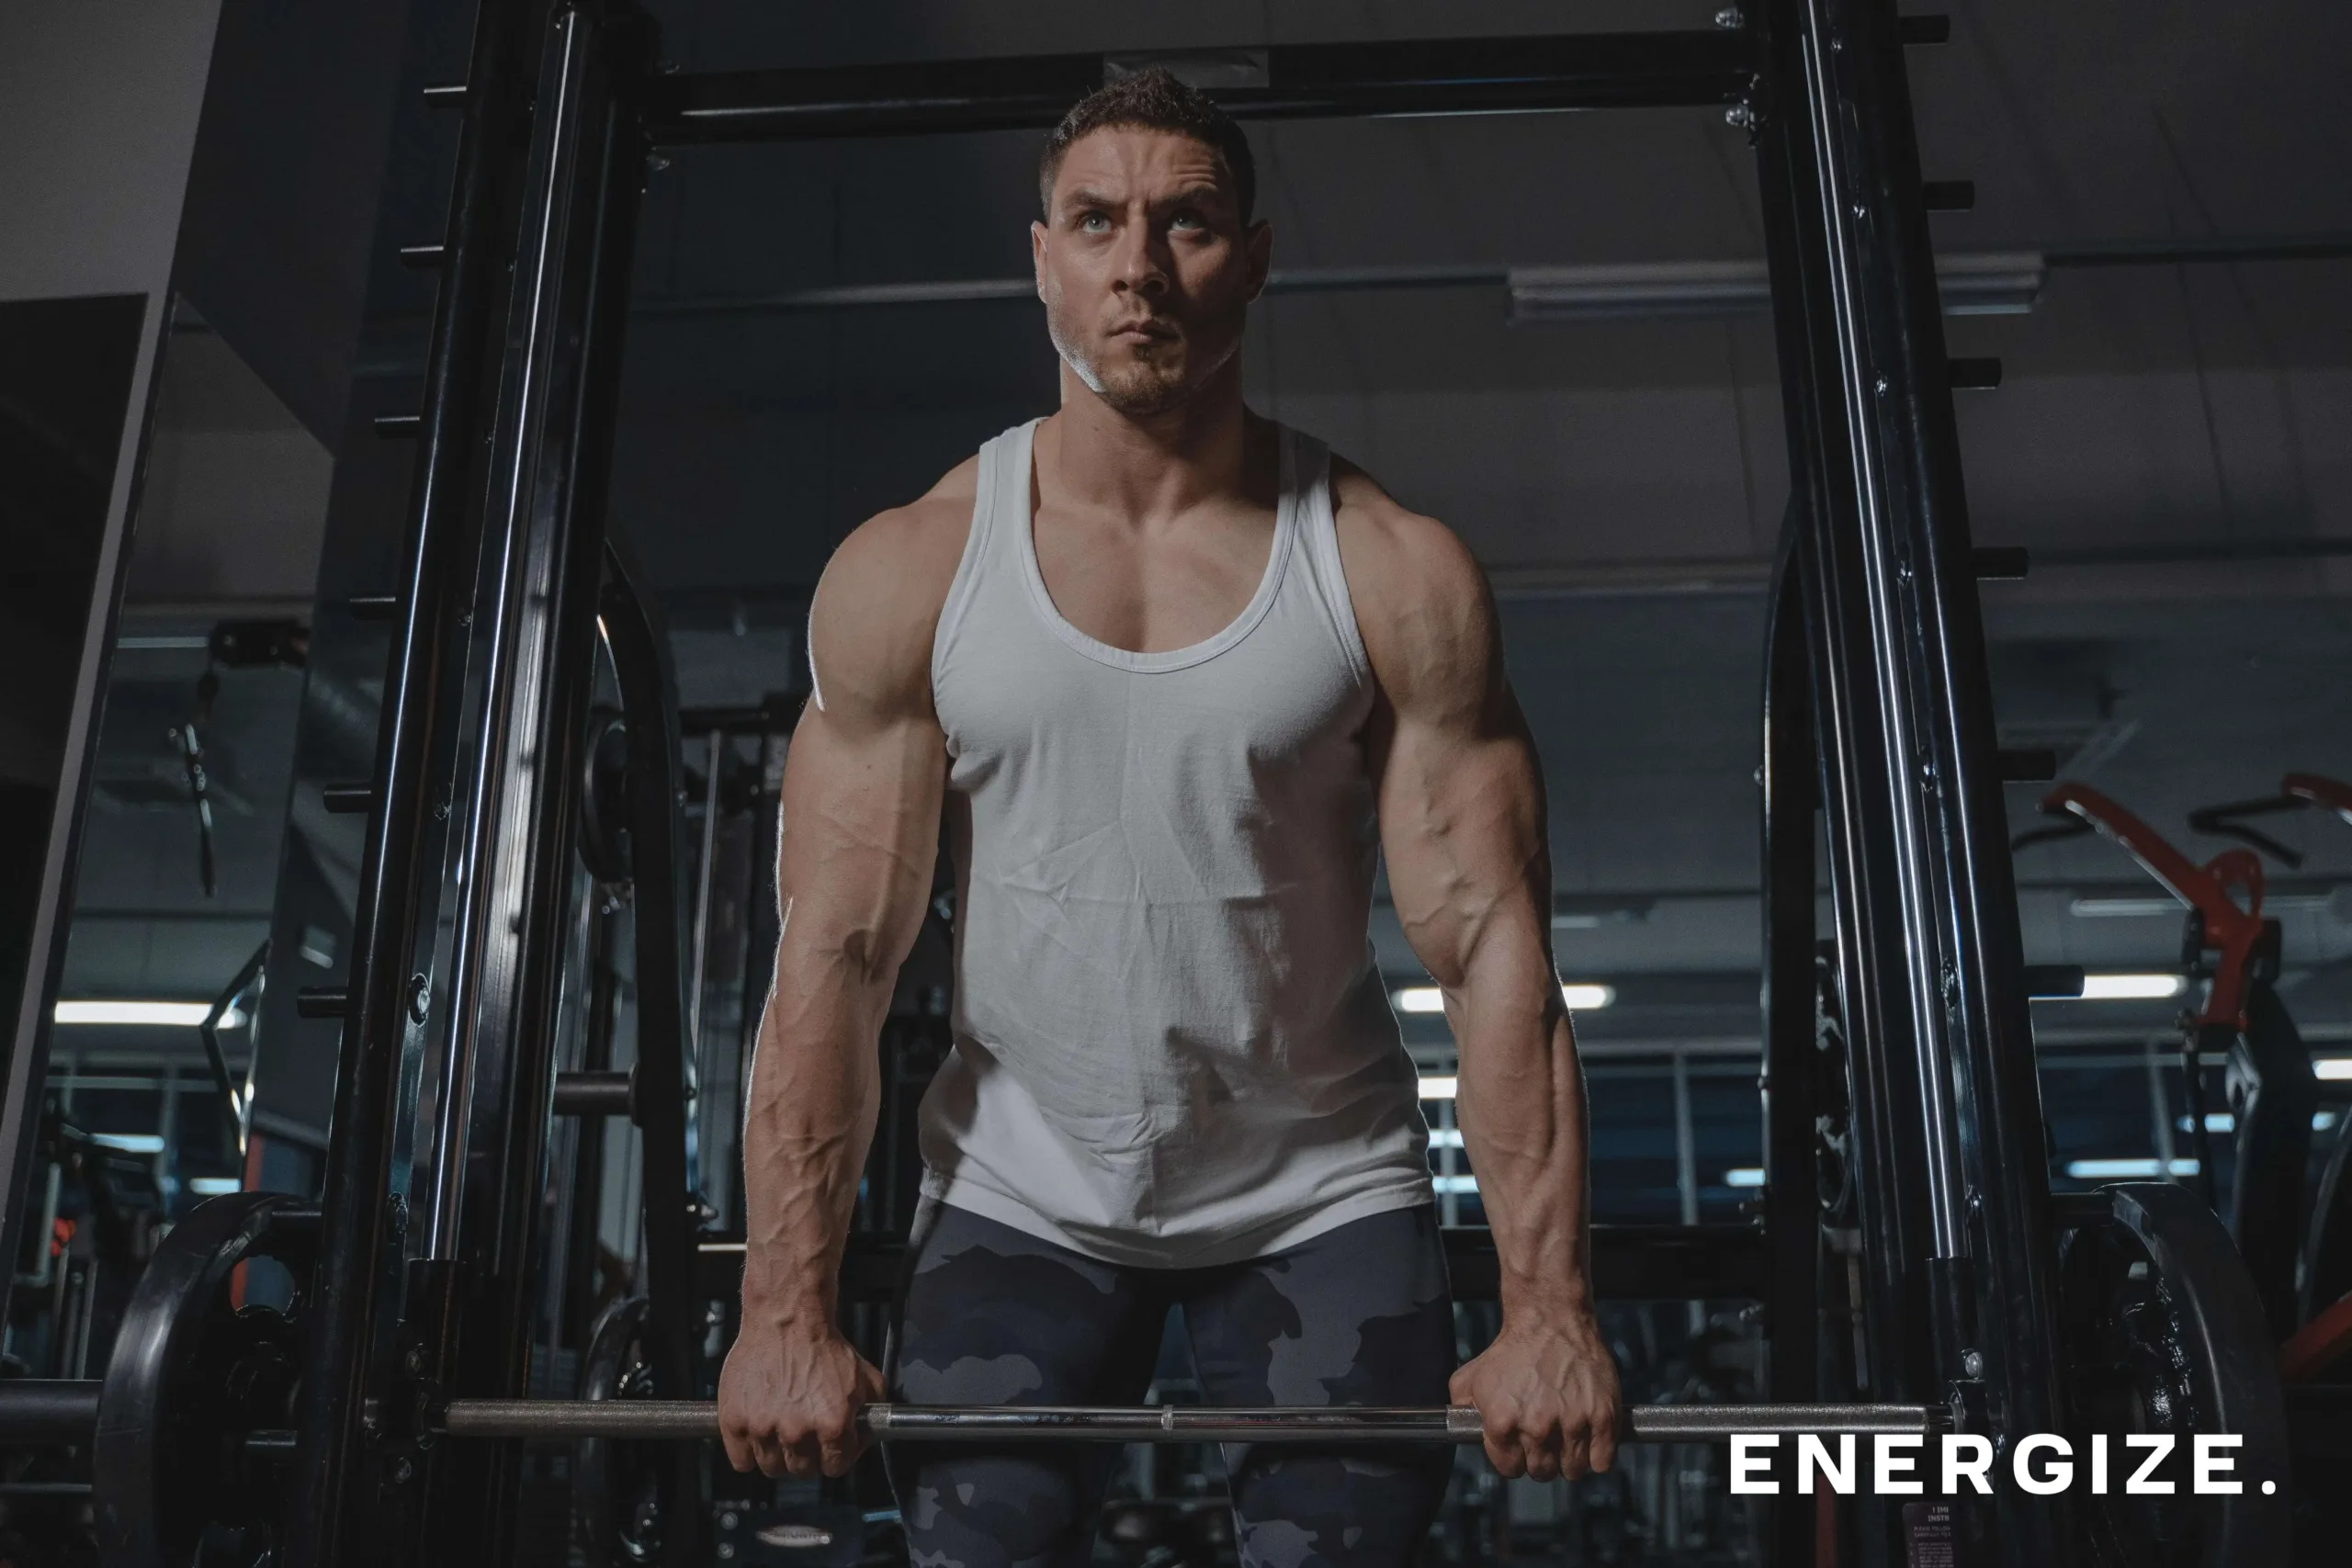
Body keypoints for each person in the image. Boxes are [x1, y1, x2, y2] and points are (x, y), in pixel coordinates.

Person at [717, 67, 1623, 1568]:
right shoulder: (914, 569)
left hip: (1320, 1195)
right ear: (1043, 260)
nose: (1139, 265)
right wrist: (779, 1317)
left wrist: (1552, 1315)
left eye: (1186, 221)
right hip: (1022, 1190)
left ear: (1251, 258)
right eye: (1097, 223)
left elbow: (1491, 952)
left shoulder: (1387, 568)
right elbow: (834, 959)